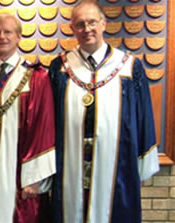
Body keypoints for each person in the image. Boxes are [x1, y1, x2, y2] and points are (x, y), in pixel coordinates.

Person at [49, 1, 159, 222]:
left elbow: (143, 116)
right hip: (69, 161)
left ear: (103, 23)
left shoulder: (128, 66)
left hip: (118, 162)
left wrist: (143, 162)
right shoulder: (60, 67)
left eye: (92, 22)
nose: (87, 29)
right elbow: (48, 119)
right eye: (80, 24)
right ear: (72, 29)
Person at [0, 14, 55, 223]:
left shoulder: (36, 78)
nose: (2, 37)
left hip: (22, 173)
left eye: (8, 32)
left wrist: (35, 177)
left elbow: (43, 127)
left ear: (18, 37)